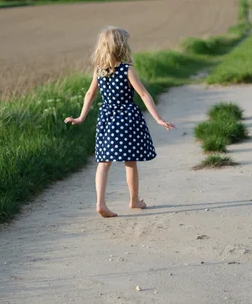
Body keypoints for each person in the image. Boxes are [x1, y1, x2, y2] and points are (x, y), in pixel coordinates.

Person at [64, 27, 176, 217]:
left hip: (106, 118)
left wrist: (81, 117)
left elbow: (90, 94)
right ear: (122, 46)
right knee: (130, 161)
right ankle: (134, 200)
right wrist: (158, 118)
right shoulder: (126, 69)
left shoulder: (99, 70)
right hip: (127, 118)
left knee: (103, 161)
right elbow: (143, 93)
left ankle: (100, 203)